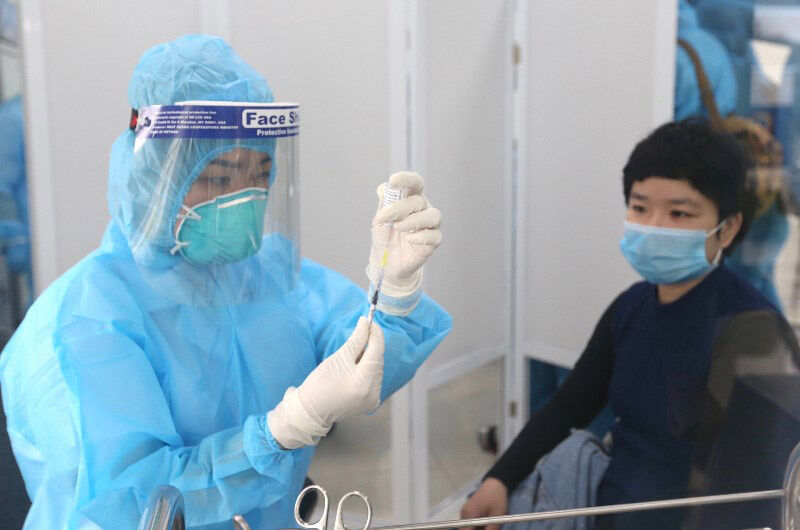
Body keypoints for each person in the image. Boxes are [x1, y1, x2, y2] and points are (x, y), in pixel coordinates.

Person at [0, 35, 452, 530]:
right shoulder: (86, 317)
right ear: (155, 177)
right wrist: (282, 431)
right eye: (218, 179)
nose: (245, 198)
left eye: (260, 175)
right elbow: (138, 503)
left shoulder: (267, 273)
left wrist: (394, 293)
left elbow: (360, 361)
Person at [459, 118, 796, 529]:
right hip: (607, 507)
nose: (652, 226)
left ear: (728, 229)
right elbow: (569, 404)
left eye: (678, 213)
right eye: (639, 207)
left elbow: (744, 493)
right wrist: (500, 477)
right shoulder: (632, 306)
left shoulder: (752, 331)